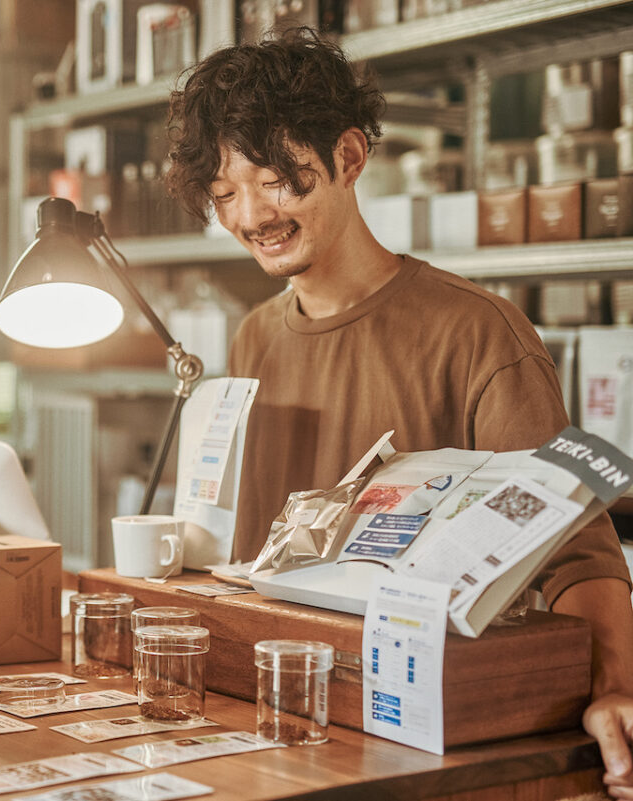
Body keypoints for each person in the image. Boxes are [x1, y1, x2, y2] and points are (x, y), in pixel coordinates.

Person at [164, 28, 633, 798]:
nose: (251, 216)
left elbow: (576, 549)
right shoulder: (253, 339)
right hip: (292, 728)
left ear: (349, 157)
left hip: (436, 736)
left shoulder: (480, 332)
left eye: (277, 179)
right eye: (223, 194)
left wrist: (615, 686)